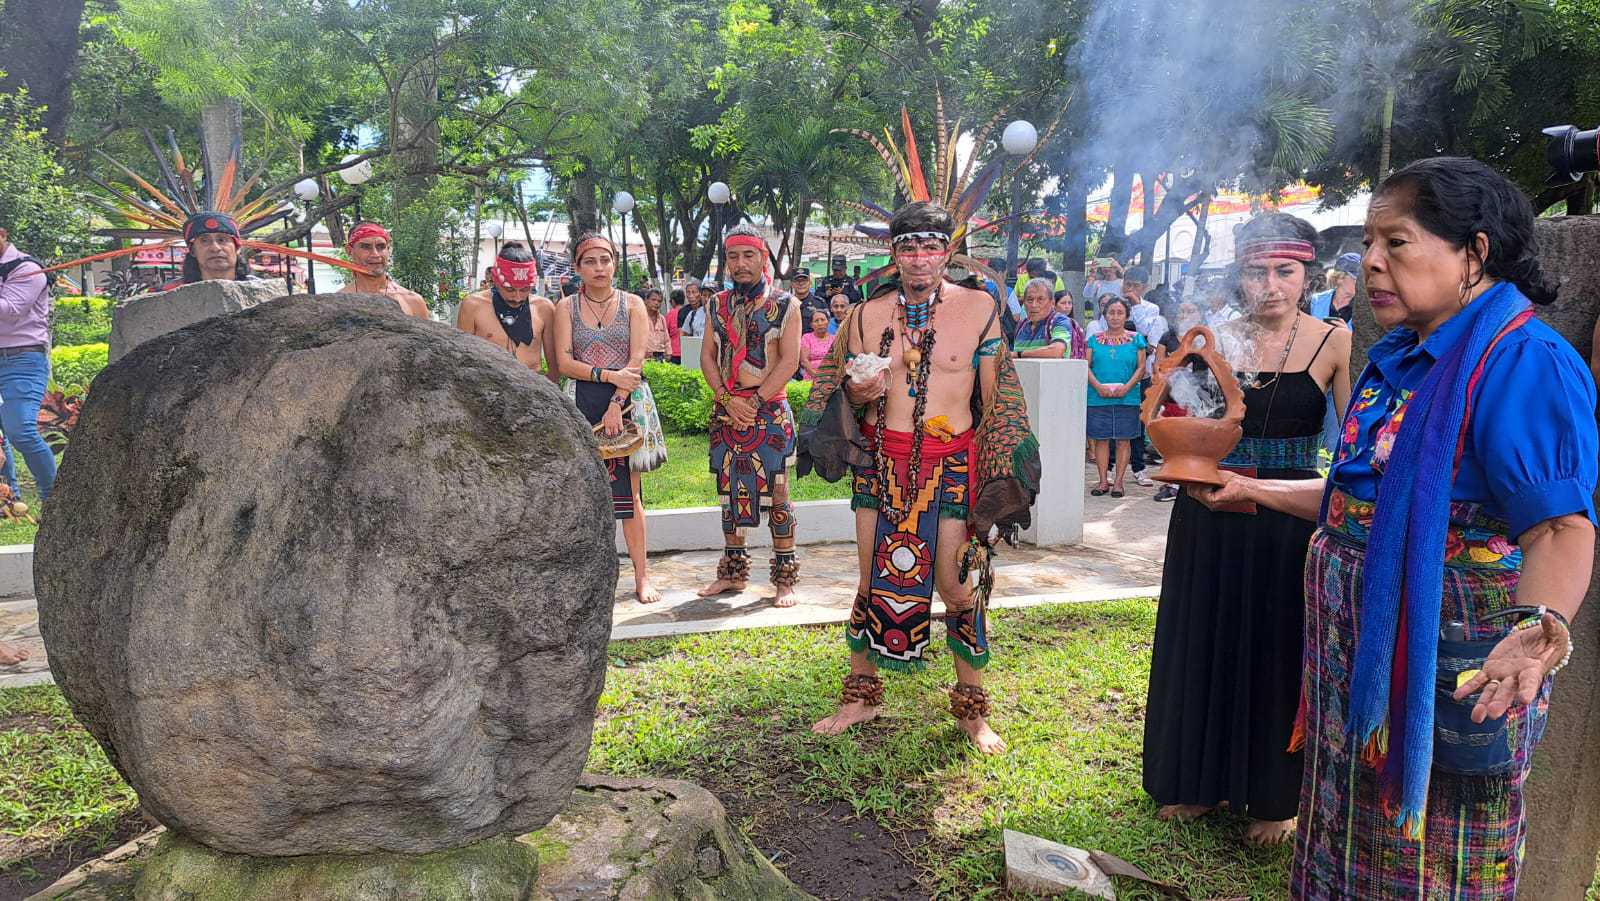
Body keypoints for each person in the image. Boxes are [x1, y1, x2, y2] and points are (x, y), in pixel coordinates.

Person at [1193, 158, 1595, 899]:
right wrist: (1251, 487)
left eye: (1396, 242)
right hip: (1353, 659)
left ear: (1473, 252)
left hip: (1448, 660)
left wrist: (1538, 624)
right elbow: (1361, 504)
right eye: (1369, 244)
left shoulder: (1523, 363)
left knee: (1434, 854)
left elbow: (1560, 528)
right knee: (1344, 836)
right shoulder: (1400, 359)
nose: (1371, 262)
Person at [1142, 212, 1352, 846]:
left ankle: (1275, 795)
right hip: (1209, 509)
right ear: (1241, 275)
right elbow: (1187, 421)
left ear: (1307, 274)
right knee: (1203, 637)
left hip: (1288, 518)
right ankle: (1197, 781)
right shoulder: (1215, 340)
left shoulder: (1334, 342)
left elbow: (1357, 446)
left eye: (1284, 272)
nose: (1270, 286)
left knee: (1280, 646)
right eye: (1257, 272)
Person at [804, 201, 1039, 754]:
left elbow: (997, 398)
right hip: (882, 463)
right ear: (894, 252)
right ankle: (860, 698)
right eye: (907, 246)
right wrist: (854, 394)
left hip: (951, 464)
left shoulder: (979, 307)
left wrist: (1001, 472)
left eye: (930, 246)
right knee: (870, 580)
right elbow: (831, 387)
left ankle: (972, 711)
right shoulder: (865, 315)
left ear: (947, 251)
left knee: (957, 588)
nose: (918, 257)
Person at [552, 233, 666, 604]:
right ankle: (588, 578)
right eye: (590, 261)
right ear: (577, 267)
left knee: (631, 494)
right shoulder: (566, 307)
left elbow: (637, 359)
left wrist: (616, 400)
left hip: (626, 401)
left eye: (605, 260)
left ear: (615, 263)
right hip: (582, 400)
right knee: (585, 492)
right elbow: (564, 361)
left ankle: (642, 576)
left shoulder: (633, 304)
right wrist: (606, 376)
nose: (599, 268)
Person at [698, 224, 804, 606]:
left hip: (769, 410)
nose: (740, 264)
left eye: (748, 255)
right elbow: (707, 357)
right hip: (728, 411)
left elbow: (789, 361)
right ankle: (732, 574)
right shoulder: (717, 305)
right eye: (733, 256)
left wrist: (754, 402)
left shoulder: (787, 304)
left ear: (763, 258)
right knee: (729, 493)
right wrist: (727, 399)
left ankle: (785, 579)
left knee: (778, 493)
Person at [0, 223, 57, 504]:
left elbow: (11, 310)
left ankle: (54, 499)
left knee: (20, 430)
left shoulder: (27, 269)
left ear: (2, 235)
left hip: (21, 360)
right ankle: (9, 498)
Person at [456, 242, 558, 379]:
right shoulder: (473, 305)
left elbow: (555, 367)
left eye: (524, 290)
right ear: (496, 281)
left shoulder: (544, 308)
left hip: (532, 385)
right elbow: (462, 359)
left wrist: (543, 390)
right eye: (509, 290)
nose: (517, 298)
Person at [1086, 297, 1146, 498]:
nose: (1115, 317)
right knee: (1101, 440)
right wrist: (1097, 386)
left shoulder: (1136, 339)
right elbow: (1086, 366)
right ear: (1104, 315)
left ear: (1126, 316)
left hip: (1127, 398)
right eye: (1111, 312)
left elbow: (1141, 368)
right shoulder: (1094, 340)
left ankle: (1118, 482)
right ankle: (1103, 481)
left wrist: (1127, 387)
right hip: (1098, 396)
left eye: (1120, 313)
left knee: (1123, 440)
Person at [339, 222, 431, 319]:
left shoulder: (412, 301)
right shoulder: (339, 302)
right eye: (366, 247)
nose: (375, 254)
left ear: (388, 250)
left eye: (381, 247)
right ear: (350, 251)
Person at [1013, 277, 1085, 359]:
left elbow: (1056, 351)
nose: (1034, 305)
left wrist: (1018, 354)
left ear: (1052, 303)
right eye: (1030, 300)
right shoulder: (1022, 325)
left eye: (1040, 300)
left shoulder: (1059, 321)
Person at [1310, 252, 1360, 323]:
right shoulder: (1315, 301)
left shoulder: (1366, 309)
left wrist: (1345, 330)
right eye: (1356, 280)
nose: (1361, 284)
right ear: (1340, 279)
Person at [799, 309, 833, 380]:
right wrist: (817, 376)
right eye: (816, 321)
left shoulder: (835, 339)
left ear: (828, 322)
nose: (820, 323)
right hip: (812, 377)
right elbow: (804, 361)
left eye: (823, 320)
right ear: (811, 325)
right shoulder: (806, 338)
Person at [643, 287, 671, 361]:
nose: (656, 303)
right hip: (645, 356)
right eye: (653, 300)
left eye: (659, 301)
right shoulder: (639, 317)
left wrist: (669, 353)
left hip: (661, 356)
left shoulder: (661, 318)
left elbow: (667, 338)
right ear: (646, 300)